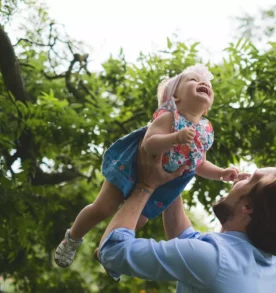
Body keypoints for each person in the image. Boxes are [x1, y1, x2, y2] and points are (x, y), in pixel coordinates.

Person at [54, 64, 238, 268]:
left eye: (206, 83)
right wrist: (175, 137)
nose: (202, 82)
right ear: (175, 97)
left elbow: (199, 162)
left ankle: (104, 248)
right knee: (103, 208)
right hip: (131, 167)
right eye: (193, 80)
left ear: (208, 107)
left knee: (139, 220)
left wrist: (221, 173)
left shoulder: (204, 131)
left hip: (161, 184)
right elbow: (149, 143)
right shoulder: (169, 118)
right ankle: (72, 237)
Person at [96, 143, 276, 292]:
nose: (243, 176)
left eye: (252, 179)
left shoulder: (213, 259)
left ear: (248, 207)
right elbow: (186, 239)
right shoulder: (270, 259)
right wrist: (172, 172)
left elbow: (113, 252)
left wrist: (146, 185)